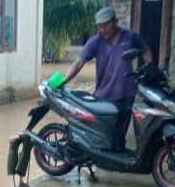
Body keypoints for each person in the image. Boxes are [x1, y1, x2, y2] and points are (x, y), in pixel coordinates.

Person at [60, 8, 153, 151]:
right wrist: (63, 81)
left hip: (126, 91)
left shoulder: (130, 37)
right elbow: (79, 62)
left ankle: (119, 155)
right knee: (103, 131)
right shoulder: (95, 41)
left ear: (115, 22)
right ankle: (101, 157)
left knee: (121, 130)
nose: (103, 29)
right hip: (104, 93)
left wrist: (149, 66)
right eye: (99, 26)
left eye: (106, 25)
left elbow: (145, 49)